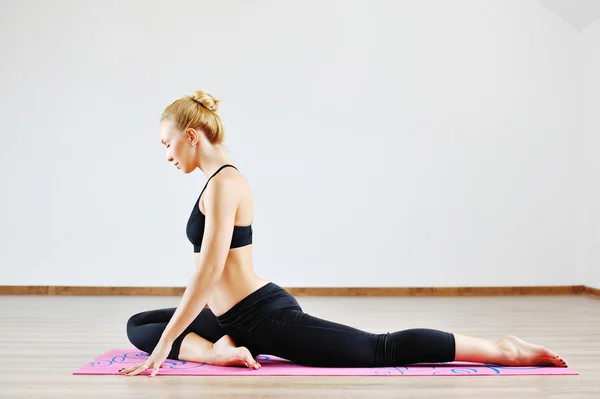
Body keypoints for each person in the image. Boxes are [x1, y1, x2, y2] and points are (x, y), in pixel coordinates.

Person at [121, 90, 568, 377]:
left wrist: (166, 347)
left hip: (260, 317)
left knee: (378, 348)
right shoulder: (215, 181)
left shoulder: (224, 183)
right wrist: (164, 339)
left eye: (167, 144)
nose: (166, 155)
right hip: (227, 320)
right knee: (139, 325)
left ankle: (502, 348)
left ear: (192, 136)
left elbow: (211, 269)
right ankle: (219, 352)